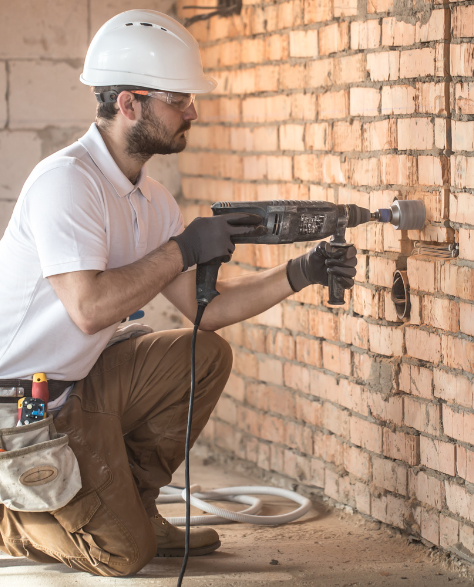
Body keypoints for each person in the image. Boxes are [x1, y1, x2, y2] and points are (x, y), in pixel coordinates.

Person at [0, 9, 357, 578]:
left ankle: (138, 505)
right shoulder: (67, 183)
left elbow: (204, 313)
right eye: (179, 99)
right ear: (129, 104)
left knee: (203, 355)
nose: (192, 110)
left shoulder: (153, 201)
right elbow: (89, 310)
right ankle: (14, 517)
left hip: (83, 384)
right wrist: (183, 249)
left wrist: (300, 272)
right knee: (123, 556)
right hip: (19, 409)